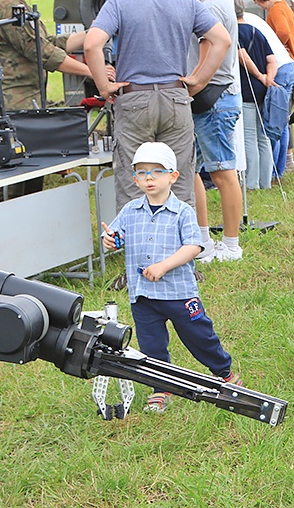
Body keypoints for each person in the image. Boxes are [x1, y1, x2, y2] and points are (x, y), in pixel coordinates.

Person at [85, 0, 232, 212]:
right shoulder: (186, 1)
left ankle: (141, 250)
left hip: (134, 98)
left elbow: (92, 43)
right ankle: (181, 251)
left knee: (135, 180)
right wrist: (199, 80)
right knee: (179, 180)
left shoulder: (120, 1)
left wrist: (104, 86)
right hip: (176, 96)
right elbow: (222, 40)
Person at [100, 142, 240, 413]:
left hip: (179, 293)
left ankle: (224, 373)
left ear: (173, 176)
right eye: (142, 173)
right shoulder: (130, 211)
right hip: (143, 295)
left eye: (156, 172)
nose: (149, 178)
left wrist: (164, 266)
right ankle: (161, 388)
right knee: (152, 346)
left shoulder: (184, 212)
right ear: (135, 179)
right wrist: (111, 239)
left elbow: (193, 246)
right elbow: (118, 235)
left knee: (200, 336)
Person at [0, 0, 99, 179]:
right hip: (4, 105)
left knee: (31, 174)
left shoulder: (19, 6)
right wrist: (93, 72)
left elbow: (49, 43)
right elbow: (43, 53)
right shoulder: (6, 5)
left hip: (23, 104)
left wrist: (92, 32)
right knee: (8, 180)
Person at [170, 0, 244, 263]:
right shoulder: (214, 0)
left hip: (214, 98)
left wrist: (193, 84)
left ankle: (231, 244)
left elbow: (206, 56)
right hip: (211, 99)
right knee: (195, 172)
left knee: (223, 172)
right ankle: (203, 239)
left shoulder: (209, 7)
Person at [248, 0, 294, 176]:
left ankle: (284, 162)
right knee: (282, 118)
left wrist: (272, 46)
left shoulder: (275, 9)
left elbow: (282, 31)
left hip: (287, 65)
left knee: (279, 118)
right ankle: (284, 162)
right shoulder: (284, 5)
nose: (255, 3)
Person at [236, 0, 277, 190]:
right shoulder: (256, 30)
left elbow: (242, 56)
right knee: (264, 137)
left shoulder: (233, 32)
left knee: (250, 137)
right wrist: (269, 78)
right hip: (264, 91)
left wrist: (259, 75)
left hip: (247, 90)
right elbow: (272, 59)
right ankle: (265, 182)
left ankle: (251, 183)